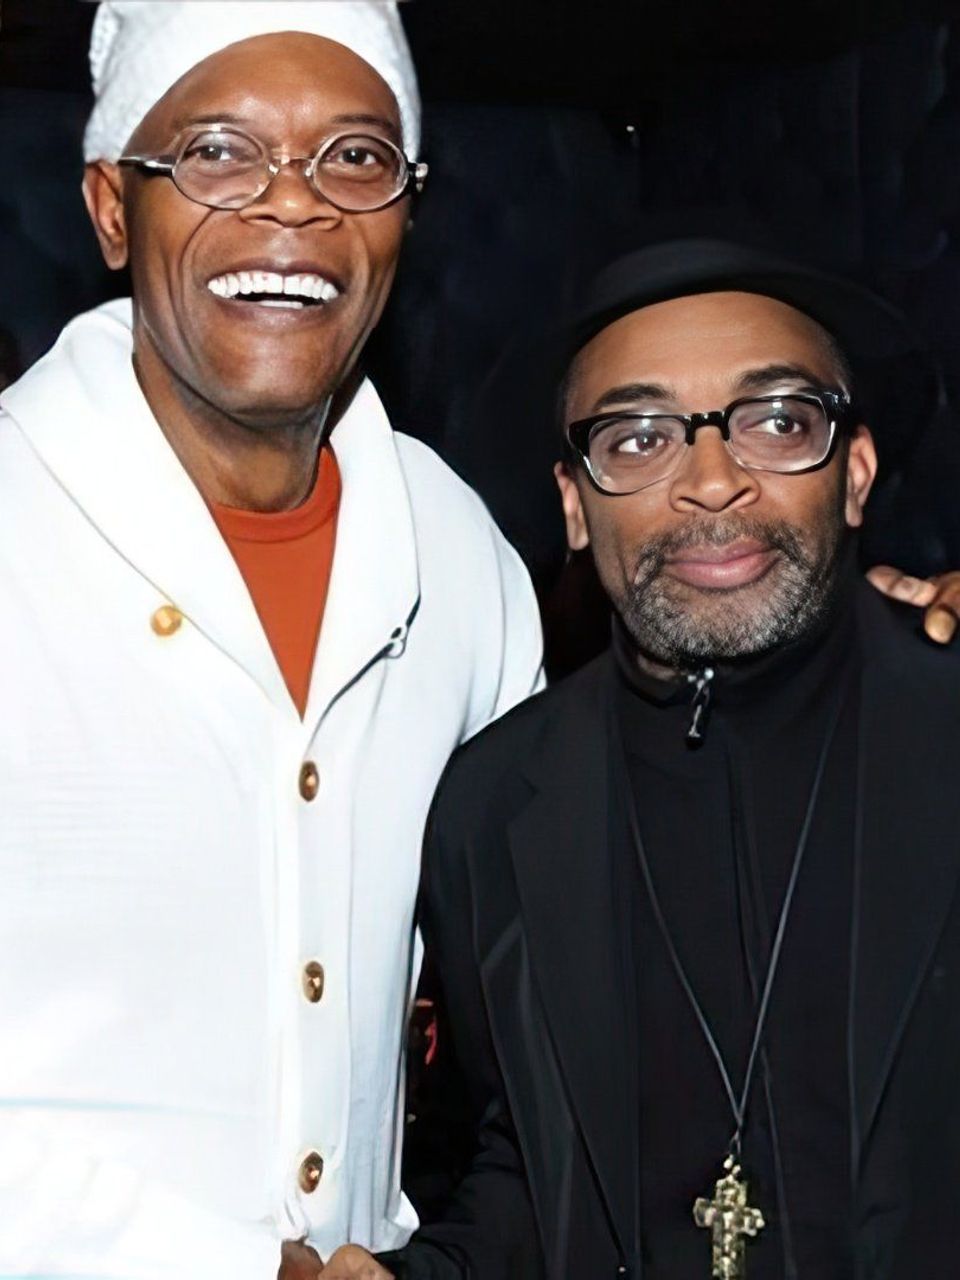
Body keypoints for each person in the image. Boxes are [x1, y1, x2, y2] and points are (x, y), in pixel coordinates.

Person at [0, 4, 542, 1278]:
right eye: (218, 152)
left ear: (407, 213)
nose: (294, 203)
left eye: (356, 156)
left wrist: (873, 653)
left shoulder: (460, 551)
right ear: (112, 208)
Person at [380, 241, 960, 1280]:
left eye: (777, 421)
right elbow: (526, 1176)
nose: (712, 481)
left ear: (857, 472)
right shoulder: (493, 807)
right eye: (639, 437)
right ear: (574, 502)